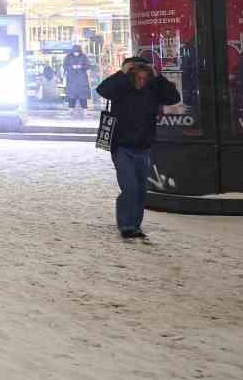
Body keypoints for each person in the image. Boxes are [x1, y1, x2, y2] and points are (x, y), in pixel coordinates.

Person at [95, 56, 181, 240]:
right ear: (131, 75)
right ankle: (126, 225)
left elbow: (174, 97)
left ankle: (135, 225)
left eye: (145, 77)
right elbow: (102, 90)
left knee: (141, 190)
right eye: (138, 77)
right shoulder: (121, 88)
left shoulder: (153, 88)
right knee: (130, 187)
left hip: (143, 147)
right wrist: (122, 73)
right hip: (121, 147)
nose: (142, 81)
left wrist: (157, 77)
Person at [63, 45, 92, 110]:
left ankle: (85, 112)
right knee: (71, 98)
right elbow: (65, 66)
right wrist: (72, 67)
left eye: (78, 52)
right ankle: (71, 113)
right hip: (72, 80)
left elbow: (88, 65)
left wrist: (81, 67)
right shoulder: (68, 57)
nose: (76, 53)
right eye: (75, 52)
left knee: (83, 98)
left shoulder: (84, 57)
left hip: (82, 80)